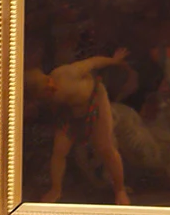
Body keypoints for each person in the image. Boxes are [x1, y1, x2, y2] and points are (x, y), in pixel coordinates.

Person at [25, 48, 132, 205]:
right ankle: (56, 190)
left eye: (48, 81)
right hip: (69, 113)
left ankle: (120, 190)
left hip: (94, 103)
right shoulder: (42, 98)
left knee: (106, 147)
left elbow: (93, 62)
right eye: (45, 89)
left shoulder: (66, 73)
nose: (51, 86)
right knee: (59, 150)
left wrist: (113, 60)